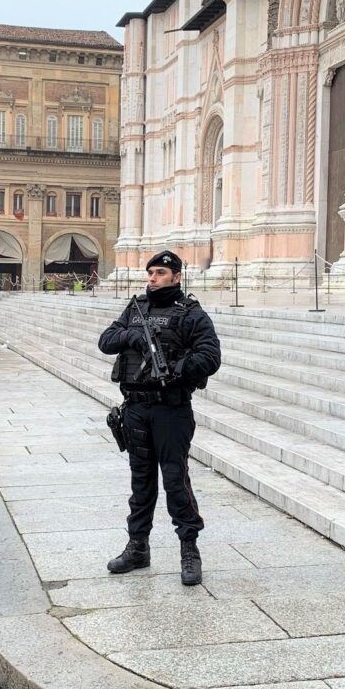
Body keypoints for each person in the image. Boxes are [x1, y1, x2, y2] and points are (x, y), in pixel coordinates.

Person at [98, 250, 222, 585]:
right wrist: (132, 336)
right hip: (136, 408)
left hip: (171, 410)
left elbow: (210, 356)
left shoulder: (190, 313)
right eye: (150, 273)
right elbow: (106, 341)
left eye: (160, 273)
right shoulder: (136, 308)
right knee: (141, 483)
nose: (152, 279)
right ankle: (137, 547)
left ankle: (189, 550)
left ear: (176, 276)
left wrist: (174, 369)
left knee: (175, 480)